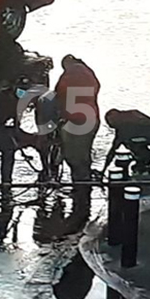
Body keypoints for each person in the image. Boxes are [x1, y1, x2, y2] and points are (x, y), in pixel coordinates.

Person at [54, 55, 100, 222]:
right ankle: (84, 187)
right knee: (84, 155)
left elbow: (58, 96)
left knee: (72, 157)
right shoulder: (89, 73)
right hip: (91, 119)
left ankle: (80, 190)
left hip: (75, 122)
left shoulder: (67, 76)